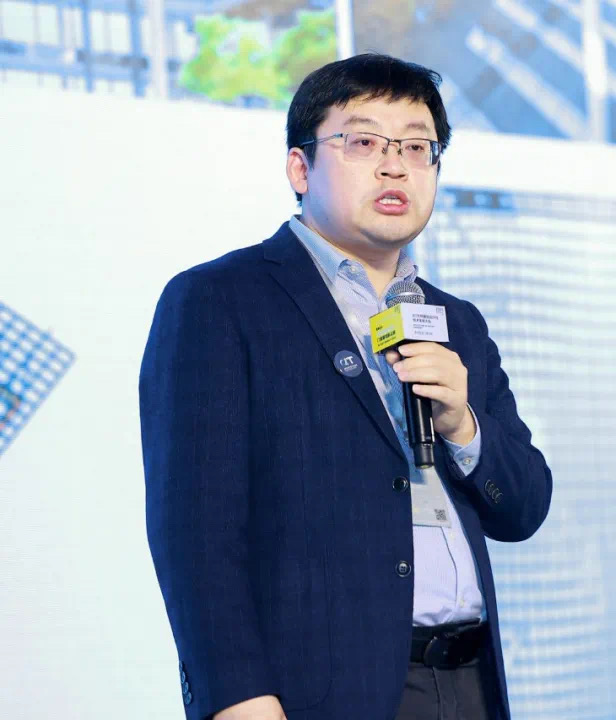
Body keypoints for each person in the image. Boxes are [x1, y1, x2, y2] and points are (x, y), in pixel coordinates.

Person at [139, 53, 553, 720]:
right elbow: (195, 531)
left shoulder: (457, 322)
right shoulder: (221, 300)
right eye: (363, 143)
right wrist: (237, 698)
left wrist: (462, 426)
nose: (395, 167)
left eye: (417, 148)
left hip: (470, 683)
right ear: (300, 169)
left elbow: (523, 508)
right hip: (320, 695)